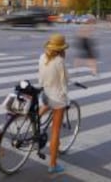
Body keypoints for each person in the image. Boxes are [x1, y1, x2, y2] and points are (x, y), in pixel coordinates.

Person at [38, 33, 69, 174]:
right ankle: (53, 164)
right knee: (55, 130)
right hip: (57, 97)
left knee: (43, 107)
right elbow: (63, 84)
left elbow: (40, 79)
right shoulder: (59, 61)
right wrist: (65, 96)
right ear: (62, 48)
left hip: (45, 94)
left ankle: (31, 121)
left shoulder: (42, 57)